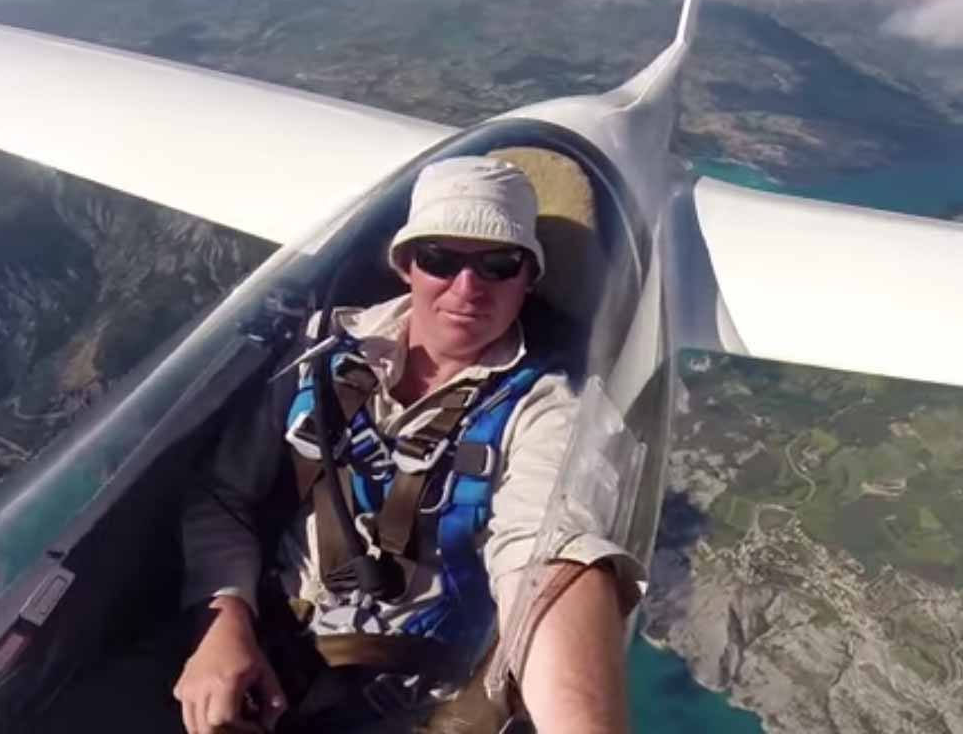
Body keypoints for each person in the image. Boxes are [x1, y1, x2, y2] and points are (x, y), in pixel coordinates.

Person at [172, 156, 642, 734]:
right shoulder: (319, 356)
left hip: (416, 702)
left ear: (528, 280)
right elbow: (225, 496)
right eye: (440, 259)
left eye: (499, 264)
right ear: (406, 265)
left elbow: (548, 557)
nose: (467, 288)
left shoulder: (548, 409)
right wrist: (224, 621)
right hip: (264, 649)